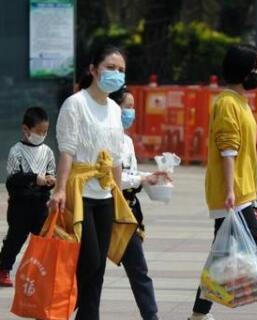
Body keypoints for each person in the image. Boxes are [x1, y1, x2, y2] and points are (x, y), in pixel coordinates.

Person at [49, 45, 138, 320]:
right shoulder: (75, 104)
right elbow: (67, 150)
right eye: (110, 67)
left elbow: (115, 157)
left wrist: (119, 195)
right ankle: (62, 306)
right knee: (90, 260)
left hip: (105, 195)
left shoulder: (114, 109)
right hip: (79, 191)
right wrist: (60, 189)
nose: (116, 73)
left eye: (121, 70)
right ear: (93, 70)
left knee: (98, 270)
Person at [188, 44, 257, 320]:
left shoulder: (239, 102)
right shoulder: (227, 103)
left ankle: (198, 315)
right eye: (256, 68)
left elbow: (244, 153)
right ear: (242, 70)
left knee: (221, 257)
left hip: (241, 191)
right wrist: (229, 191)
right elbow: (228, 150)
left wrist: (255, 187)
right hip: (233, 195)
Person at [109, 85, 166, 320]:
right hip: (106, 209)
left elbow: (129, 174)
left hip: (128, 212)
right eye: (127, 107)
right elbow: (114, 179)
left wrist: (151, 178)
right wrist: (144, 177)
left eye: (133, 107)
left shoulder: (127, 141)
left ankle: (151, 316)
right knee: (89, 272)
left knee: (138, 269)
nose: (131, 112)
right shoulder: (106, 138)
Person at [0, 107, 55, 287]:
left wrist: (50, 180)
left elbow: (51, 173)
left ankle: (44, 270)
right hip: (20, 205)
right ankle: (3, 268)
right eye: (38, 131)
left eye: (45, 131)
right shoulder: (16, 151)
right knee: (15, 239)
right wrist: (34, 179)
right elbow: (13, 179)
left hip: (41, 204)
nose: (42, 135)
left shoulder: (47, 151)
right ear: (26, 129)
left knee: (47, 239)